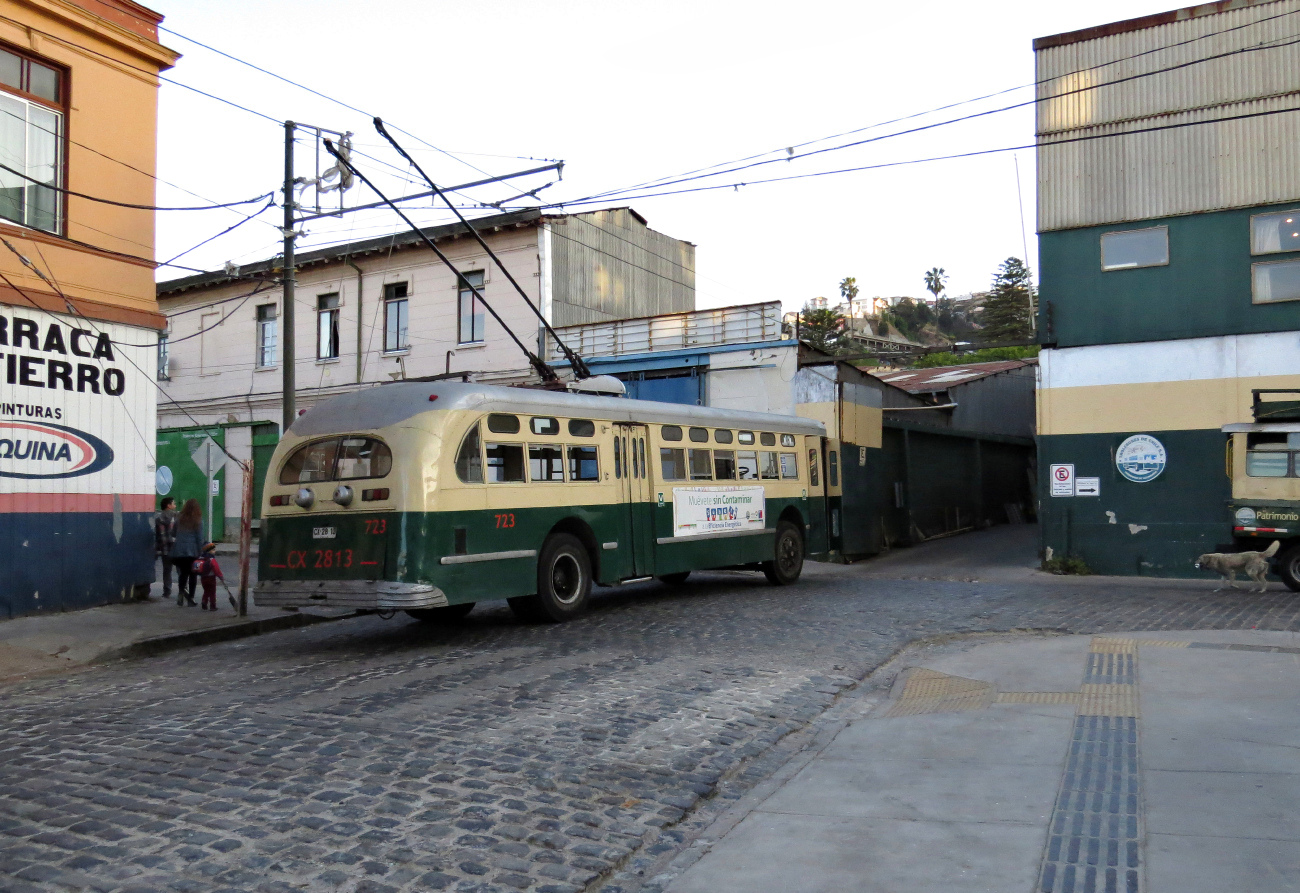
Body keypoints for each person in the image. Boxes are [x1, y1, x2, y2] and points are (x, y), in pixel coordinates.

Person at [171, 499, 203, 607]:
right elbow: (199, 538)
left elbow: (173, 533)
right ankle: (191, 599)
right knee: (193, 575)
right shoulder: (198, 521)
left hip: (180, 551)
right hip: (192, 551)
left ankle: (181, 594)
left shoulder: (179, 519)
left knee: (183, 574)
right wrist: (201, 551)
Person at [153, 498, 178, 600]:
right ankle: (183, 590)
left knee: (167, 570)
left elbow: (158, 535)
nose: (175, 505)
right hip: (176, 548)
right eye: (173, 503)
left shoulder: (158, 518)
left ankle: (167, 591)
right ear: (169, 505)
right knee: (181, 570)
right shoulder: (176, 517)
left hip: (165, 548)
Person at [193, 543, 225, 611]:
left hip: (203, 578)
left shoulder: (201, 558)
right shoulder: (211, 559)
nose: (214, 551)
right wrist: (220, 576)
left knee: (206, 591)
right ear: (209, 551)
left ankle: (204, 602)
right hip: (211, 578)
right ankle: (213, 606)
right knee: (212, 592)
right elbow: (216, 569)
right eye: (213, 550)